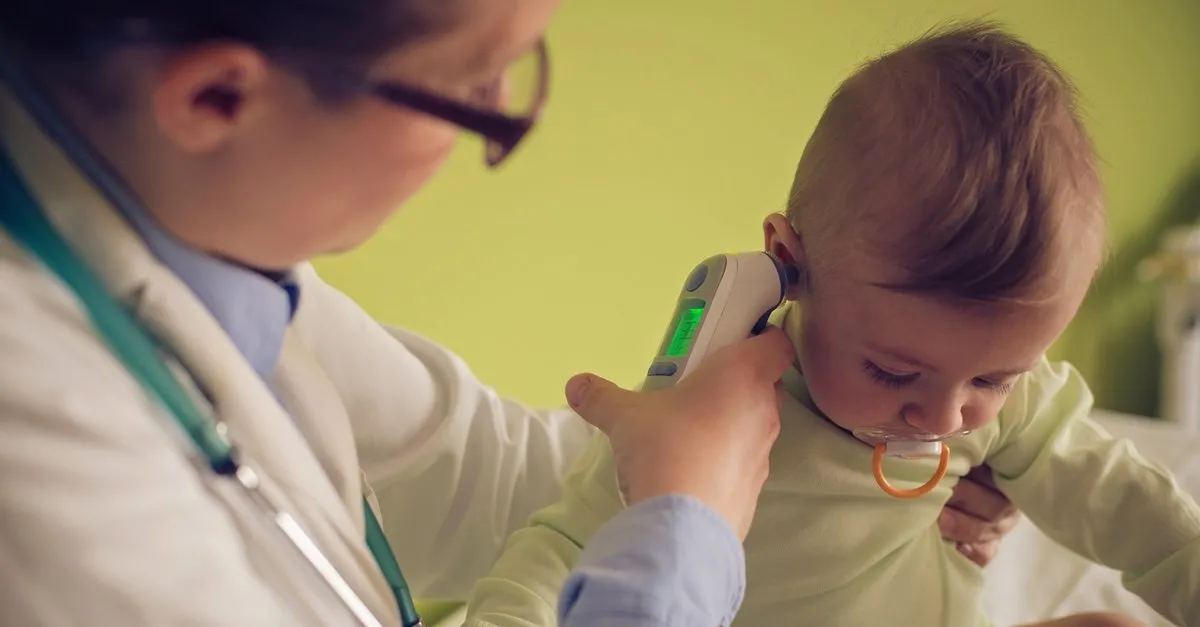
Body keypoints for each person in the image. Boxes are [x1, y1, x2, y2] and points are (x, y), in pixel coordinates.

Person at [0, 2, 1018, 626]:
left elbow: (492, 485)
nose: (496, 120)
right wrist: (683, 537)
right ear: (219, 97)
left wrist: (822, 488)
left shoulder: (200, 254)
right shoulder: (34, 421)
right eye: (479, 86)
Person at [464, 22, 1200, 627]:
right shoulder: (714, 419)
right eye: (892, 370)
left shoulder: (1003, 405)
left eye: (995, 377)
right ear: (791, 262)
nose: (943, 415)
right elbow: (562, 548)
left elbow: (1135, 508)